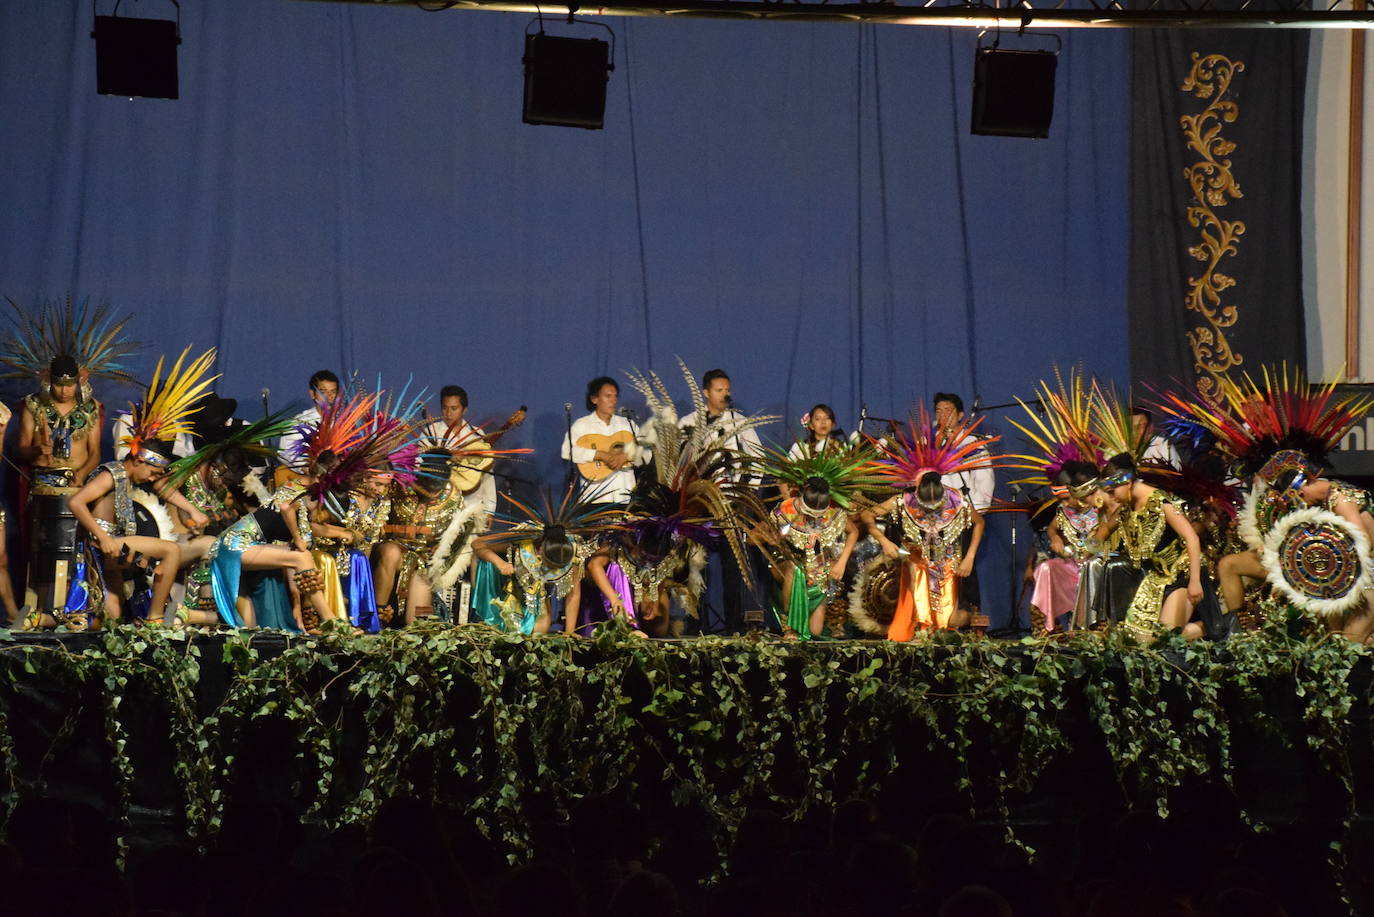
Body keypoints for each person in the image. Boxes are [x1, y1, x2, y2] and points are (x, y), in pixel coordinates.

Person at [677, 368, 769, 633]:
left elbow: (757, 460)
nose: (725, 394)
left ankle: (735, 627)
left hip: (731, 504)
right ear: (705, 392)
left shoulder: (739, 423)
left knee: (734, 567)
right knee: (695, 566)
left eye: (727, 390)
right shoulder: (689, 423)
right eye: (719, 390)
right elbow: (679, 463)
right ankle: (695, 625)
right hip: (699, 505)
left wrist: (746, 493)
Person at [17, 355, 103, 618]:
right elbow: (19, 450)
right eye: (58, 385)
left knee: (73, 548)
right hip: (44, 484)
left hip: (77, 486)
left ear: (80, 381)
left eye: (70, 385)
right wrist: (36, 450)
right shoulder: (33, 406)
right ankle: (40, 607)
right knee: (43, 548)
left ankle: (71, 607)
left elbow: (95, 454)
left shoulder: (91, 408)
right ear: (48, 380)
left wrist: (82, 474)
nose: (65, 391)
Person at [1096, 453, 1203, 636]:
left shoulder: (1161, 502)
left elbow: (1192, 538)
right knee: (1137, 640)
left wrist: (1195, 582)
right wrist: (1088, 548)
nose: (1111, 498)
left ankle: (1212, 628)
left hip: (1182, 576)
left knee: (1164, 639)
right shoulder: (1127, 508)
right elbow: (1105, 529)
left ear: (1127, 483)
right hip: (1156, 580)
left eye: (1113, 491)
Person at [561, 376, 649, 506]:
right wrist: (600, 455)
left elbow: (647, 453)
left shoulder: (627, 424)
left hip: (625, 495)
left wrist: (626, 456)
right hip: (595, 497)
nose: (613, 401)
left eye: (615, 396)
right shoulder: (582, 425)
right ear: (594, 399)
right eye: (608, 396)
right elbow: (567, 452)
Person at [278, 369, 340, 466]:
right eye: (323, 392)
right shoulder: (299, 423)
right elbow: (286, 454)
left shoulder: (344, 422)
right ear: (312, 394)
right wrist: (307, 467)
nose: (329, 396)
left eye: (333, 392)